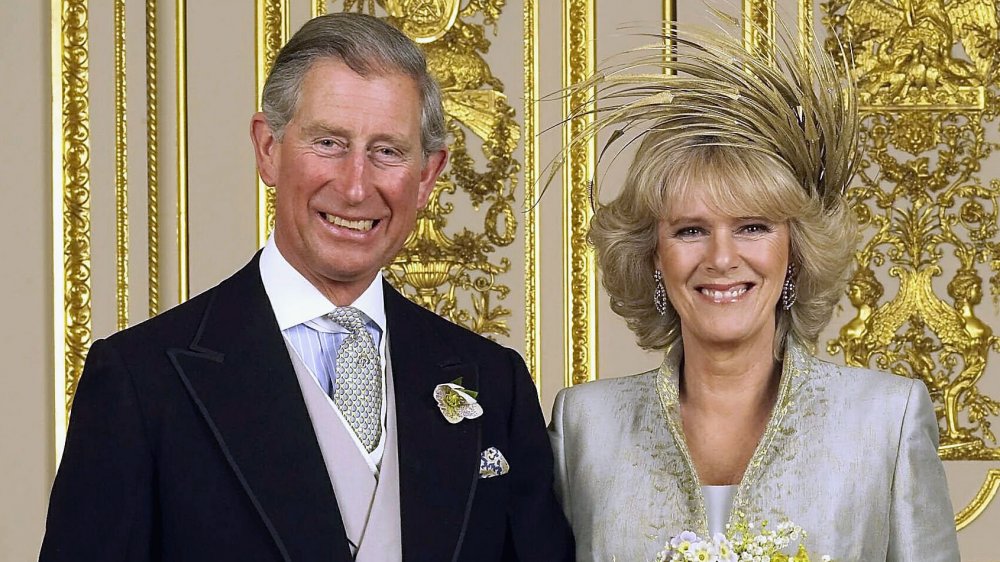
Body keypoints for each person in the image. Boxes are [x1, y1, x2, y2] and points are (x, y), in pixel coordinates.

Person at [40, 13, 573, 562]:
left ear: (427, 175)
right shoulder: (141, 381)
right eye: (329, 142)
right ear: (268, 147)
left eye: (387, 150)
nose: (356, 184)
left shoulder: (494, 382)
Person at [547, 22, 960, 562]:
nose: (721, 259)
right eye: (690, 230)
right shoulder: (585, 425)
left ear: (796, 252)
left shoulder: (886, 418)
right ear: (653, 255)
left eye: (753, 227)